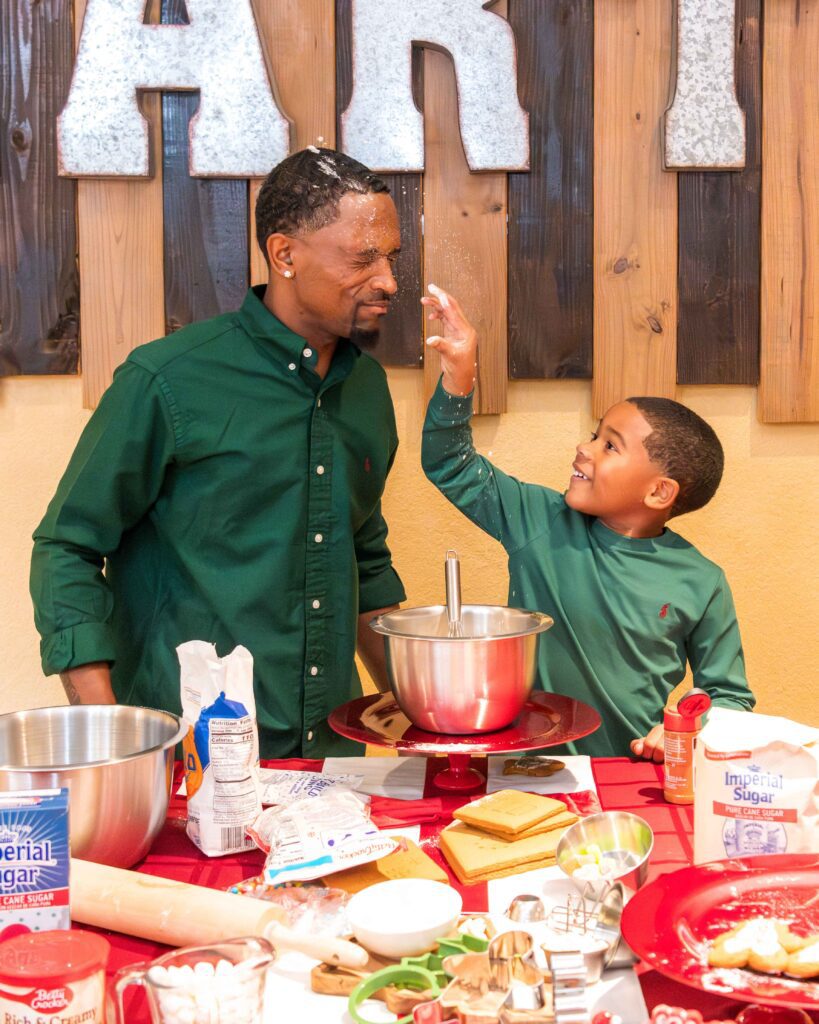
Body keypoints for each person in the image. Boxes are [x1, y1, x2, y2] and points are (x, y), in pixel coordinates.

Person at [30, 148, 406, 758]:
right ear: (284, 254)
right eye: (363, 259)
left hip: (329, 761)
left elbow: (361, 555)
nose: (388, 280)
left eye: (391, 257)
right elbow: (67, 547)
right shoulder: (166, 380)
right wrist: (109, 735)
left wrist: (426, 716)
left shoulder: (368, 391)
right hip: (187, 761)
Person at [420, 284, 755, 761]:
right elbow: (448, 461)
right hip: (522, 772)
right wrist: (459, 376)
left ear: (659, 492)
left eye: (609, 445)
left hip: (630, 776)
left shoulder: (703, 582)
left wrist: (690, 726)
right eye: (594, 435)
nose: (585, 448)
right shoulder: (539, 519)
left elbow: (729, 697)